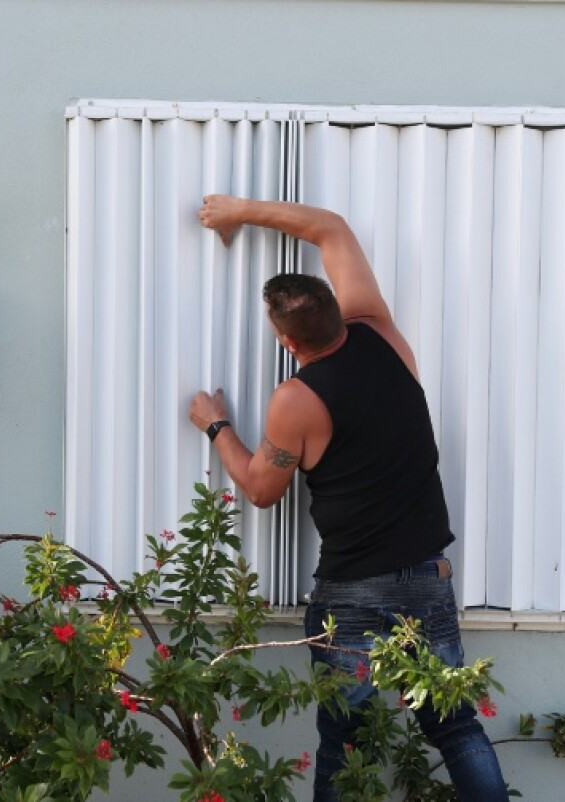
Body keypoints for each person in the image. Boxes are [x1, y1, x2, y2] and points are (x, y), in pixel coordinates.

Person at [188, 195, 509, 802]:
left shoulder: (297, 399)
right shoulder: (383, 335)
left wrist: (214, 426)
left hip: (352, 591)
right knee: (456, 724)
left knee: (345, 740)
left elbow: (261, 488)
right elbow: (329, 228)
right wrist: (236, 210)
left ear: (286, 342)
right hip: (424, 576)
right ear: (342, 308)